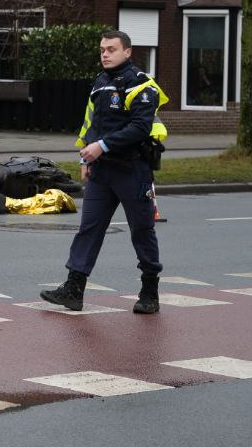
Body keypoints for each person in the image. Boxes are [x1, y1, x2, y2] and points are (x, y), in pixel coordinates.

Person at [40, 29, 169, 315]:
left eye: (111, 49)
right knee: (89, 229)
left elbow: (140, 128)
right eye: (102, 50)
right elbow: (90, 124)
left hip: (132, 170)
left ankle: (150, 290)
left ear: (127, 52)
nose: (105, 54)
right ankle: (74, 289)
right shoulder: (100, 83)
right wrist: (86, 157)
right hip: (101, 172)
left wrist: (102, 146)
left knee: (142, 230)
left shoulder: (142, 85)